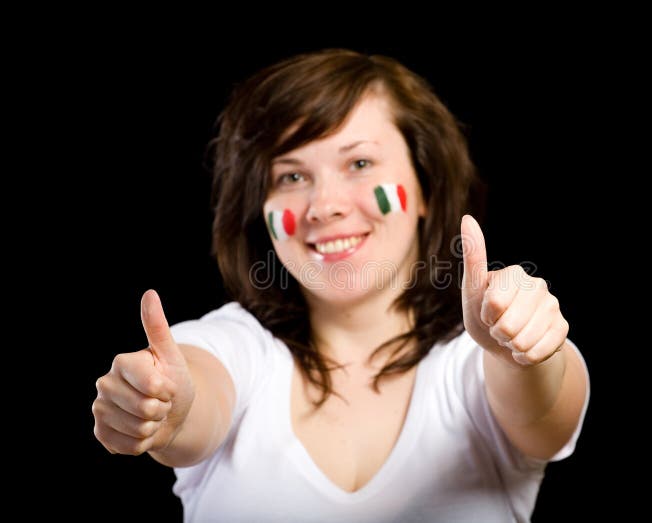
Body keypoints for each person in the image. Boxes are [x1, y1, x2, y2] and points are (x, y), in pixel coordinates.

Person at [91, 49, 590, 522]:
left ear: (425, 187)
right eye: (290, 177)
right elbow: (196, 393)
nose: (324, 205)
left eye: (359, 164)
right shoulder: (239, 348)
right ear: (260, 211)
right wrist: (164, 405)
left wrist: (523, 351)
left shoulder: (471, 367)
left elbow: (543, 414)